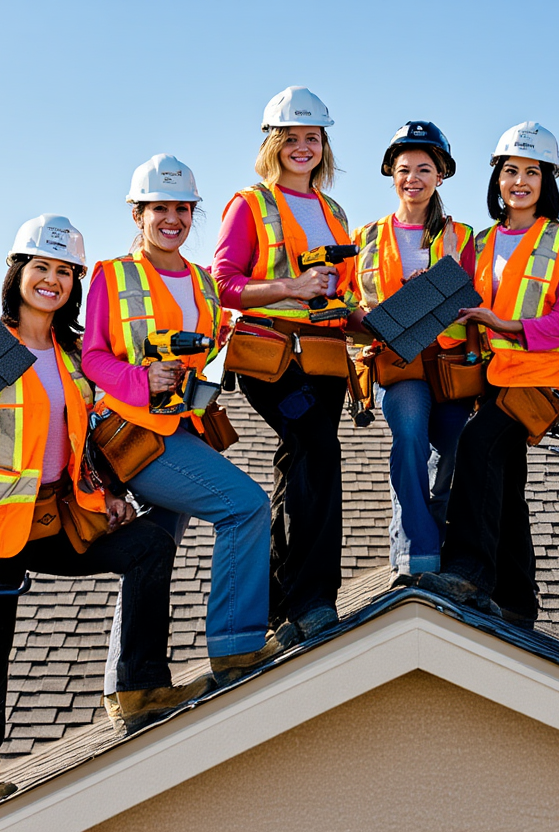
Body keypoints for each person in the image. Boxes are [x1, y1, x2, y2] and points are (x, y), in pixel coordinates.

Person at [0, 215, 200, 819]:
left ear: (75, 283)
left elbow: (77, 438)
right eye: (40, 268)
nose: (51, 280)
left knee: (150, 545)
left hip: (51, 519)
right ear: (17, 273)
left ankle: (141, 687)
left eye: (64, 272)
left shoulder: (73, 356)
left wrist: (108, 491)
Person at [82, 155, 281, 723]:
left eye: (182, 209)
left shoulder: (199, 279)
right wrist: (141, 378)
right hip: (134, 436)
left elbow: (211, 347)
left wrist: (232, 345)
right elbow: (93, 356)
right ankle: (236, 646)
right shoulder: (111, 276)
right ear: (138, 214)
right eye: (160, 209)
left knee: (154, 549)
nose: (172, 219)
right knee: (244, 507)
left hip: (183, 426)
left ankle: (134, 686)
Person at [419, 122, 559, 630]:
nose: (519, 181)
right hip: (491, 378)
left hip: (535, 382)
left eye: (531, 172)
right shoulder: (485, 240)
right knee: (507, 486)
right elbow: (462, 304)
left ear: (547, 181)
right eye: (510, 170)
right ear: (497, 179)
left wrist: (506, 324)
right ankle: (517, 601)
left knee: (475, 447)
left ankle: (470, 572)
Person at [211, 86, 355, 643]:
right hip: (270, 355)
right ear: (272, 144)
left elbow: (339, 288)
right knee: (319, 450)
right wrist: (290, 287)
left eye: (312, 137)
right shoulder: (249, 204)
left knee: (300, 465)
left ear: (324, 144)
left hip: (324, 355)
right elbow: (223, 285)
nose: (302, 146)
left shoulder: (333, 210)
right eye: (290, 137)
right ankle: (313, 598)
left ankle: (278, 604)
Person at [348, 121, 475, 582]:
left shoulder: (464, 237)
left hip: (451, 365)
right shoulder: (363, 238)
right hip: (397, 365)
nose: (413, 178)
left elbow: (480, 298)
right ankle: (415, 556)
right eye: (404, 169)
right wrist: (387, 316)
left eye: (424, 169)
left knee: (454, 456)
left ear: (440, 175)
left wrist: (439, 299)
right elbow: (345, 307)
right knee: (409, 438)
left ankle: (437, 541)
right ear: (391, 175)